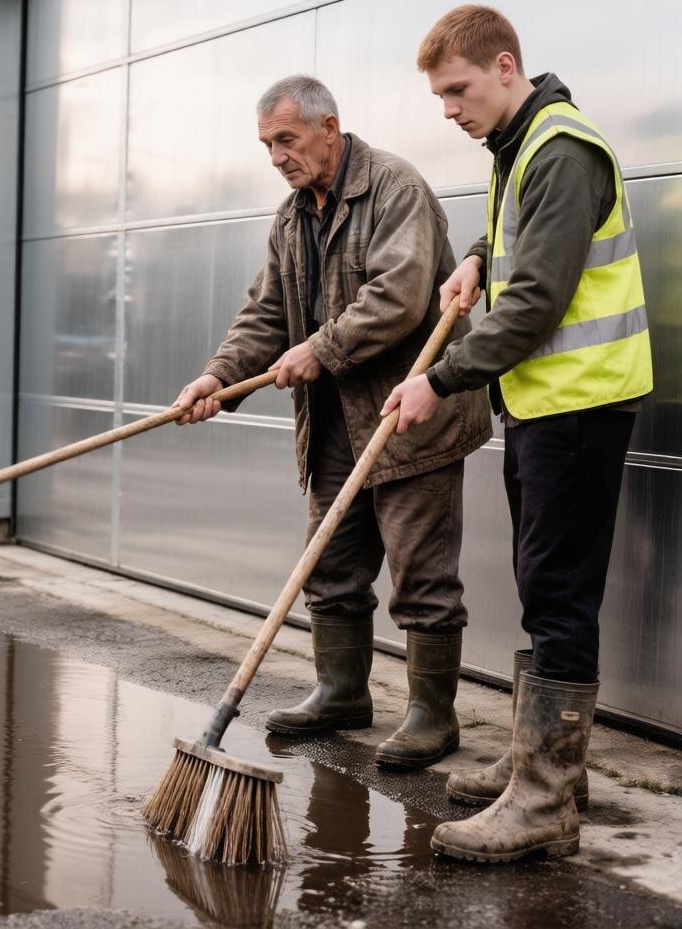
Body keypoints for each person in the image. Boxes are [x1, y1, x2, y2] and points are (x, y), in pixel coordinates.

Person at [383, 5, 653, 862]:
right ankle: (547, 766)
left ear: (505, 66)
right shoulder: (518, 145)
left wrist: (440, 378)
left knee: (559, 591)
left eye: (458, 89)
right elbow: (514, 246)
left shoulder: (560, 149)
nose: (450, 109)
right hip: (544, 405)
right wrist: (470, 251)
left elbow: (536, 300)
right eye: (440, 97)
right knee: (546, 582)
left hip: (576, 406)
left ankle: (542, 802)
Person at [174, 74, 490, 768]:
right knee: (331, 569)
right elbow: (263, 313)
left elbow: (402, 296)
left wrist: (320, 348)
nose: (277, 156)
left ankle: (432, 717)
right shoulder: (292, 217)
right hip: (333, 427)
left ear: (329, 128)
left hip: (411, 416)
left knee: (422, 577)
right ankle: (341, 692)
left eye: (286, 139)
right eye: (267, 145)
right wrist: (218, 379)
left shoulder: (395, 189)